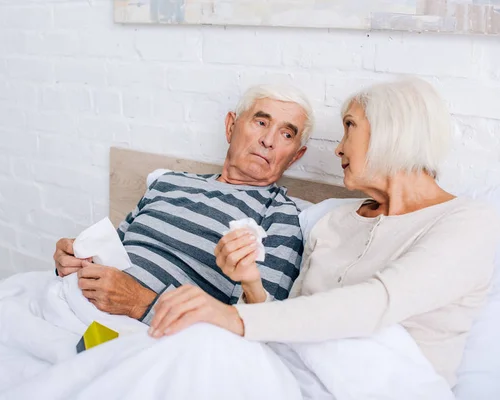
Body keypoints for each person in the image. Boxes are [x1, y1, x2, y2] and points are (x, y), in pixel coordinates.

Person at [148, 77, 500, 387]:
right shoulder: (335, 221)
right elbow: (290, 325)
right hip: (293, 376)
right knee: (189, 349)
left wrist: (231, 316)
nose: (338, 147)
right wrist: (251, 283)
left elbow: (377, 303)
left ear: (390, 131)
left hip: (386, 387)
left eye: (350, 127)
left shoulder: (470, 222)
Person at [54, 84, 315, 324]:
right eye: (260, 122)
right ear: (231, 126)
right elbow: (113, 253)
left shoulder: (280, 218)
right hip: (73, 302)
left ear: (296, 155)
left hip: (152, 335)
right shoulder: (168, 182)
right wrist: (75, 260)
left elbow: (261, 327)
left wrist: (140, 303)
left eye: (286, 134)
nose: (268, 140)